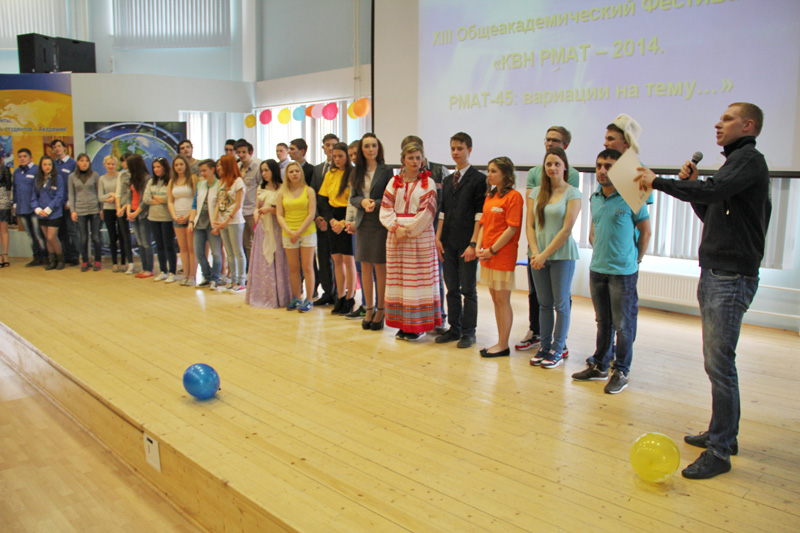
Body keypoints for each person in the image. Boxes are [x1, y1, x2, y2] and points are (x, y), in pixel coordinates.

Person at [636, 102, 771, 480]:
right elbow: (710, 213)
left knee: (720, 363)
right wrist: (694, 188)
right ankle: (722, 432)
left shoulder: (749, 160)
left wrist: (659, 181)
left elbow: (715, 192)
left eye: (727, 119)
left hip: (731, 275)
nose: (718, 124)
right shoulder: (734, 164)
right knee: (718, 363)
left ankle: (721, 450)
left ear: (748, 125)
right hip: (718, 271)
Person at [571, 149, 651, 394]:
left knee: (623, 325)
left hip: (623, 273)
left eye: (609, 166)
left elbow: (646, 232)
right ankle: (600, 366)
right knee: (603, 321)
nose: (602, 170)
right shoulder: (595, 197)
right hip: (598, 269)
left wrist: (635, 260)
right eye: (599, 166)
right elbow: (594, 230)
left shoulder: (631, 197)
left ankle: (621, 371)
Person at [518, 126, 580, 352]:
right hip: (537, 254)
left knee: (561, 304)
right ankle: (543, 346)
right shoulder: (536, 191)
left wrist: (543, 254)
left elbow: (566, 229)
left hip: (560, 254)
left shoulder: (573, 191)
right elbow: (530, 224)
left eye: (557, 164)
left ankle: (558, 348)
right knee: (543, 302)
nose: (552, 167)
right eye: (549, 164)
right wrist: (536, 253)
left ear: (564, 167)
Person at [380, 142, 442, 340]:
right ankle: (403, 324)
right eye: (411, 158)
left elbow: (428, 212)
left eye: (418, 158)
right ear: (403, 160)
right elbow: (385, 208)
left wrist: (408, 231)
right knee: (399, 281)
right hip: (396, 237)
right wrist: (395, 228)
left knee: (417, 281)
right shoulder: (393, 182)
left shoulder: (428, 183)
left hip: (419, 238)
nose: (415, 162)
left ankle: (417, 325)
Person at [434, 132, 486, 349]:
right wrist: (437, 238)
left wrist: (473, 244)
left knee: (468, 290)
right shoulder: (448, 180)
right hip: (448, 241)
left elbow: (479, 215)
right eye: (453, 148)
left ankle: (468, 332)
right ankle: (454, 328)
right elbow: (443, 211)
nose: (456, 152)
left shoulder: (479, 179)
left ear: (469, 150)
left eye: (460, 148)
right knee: (452, 288)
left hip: (467, 244)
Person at [475, 156, 524, 357]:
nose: (489, 175)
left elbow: (512, 228)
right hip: (488, 255)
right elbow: (483, 224)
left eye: (493, 171)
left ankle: (503, 344)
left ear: (505, 174)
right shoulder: (491, 196)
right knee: (496, 299)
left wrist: (492, 250)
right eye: (488, 171)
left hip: (501, 255)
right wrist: (479, 246)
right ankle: (500, 341)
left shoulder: (514, 197)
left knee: (502, 300)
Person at [401, 135, 448, 333]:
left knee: (434, 276)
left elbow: (444, 203)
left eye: (416, 154)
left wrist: (439, 232)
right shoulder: (401, 175)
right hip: (408, 234)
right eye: (408, 154)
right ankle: (415, 320)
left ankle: (439, 318)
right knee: (412, 279)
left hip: (433, 230)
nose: (413, 159)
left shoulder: (439, 170)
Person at [349, 133, 393, 330]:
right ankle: (369, 308)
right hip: (362, 223)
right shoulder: (356, 171)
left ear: (378, 147)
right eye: (366, 146)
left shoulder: (386, 170)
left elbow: (391, 197)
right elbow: (353, 197)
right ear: (362, 149)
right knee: (365, 267)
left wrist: (374, 203)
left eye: (373, 145)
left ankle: (381, 310)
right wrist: (363, 202)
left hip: (380, 223)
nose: (370, 149)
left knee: (380, 267)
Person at [246, 159, 292, 308]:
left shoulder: (282, 188)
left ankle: (281, 295)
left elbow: (285, 210)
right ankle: (263, 294)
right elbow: (256, 206)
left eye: (267, 170)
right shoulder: (261, 188)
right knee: (263, 259)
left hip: (277, 227)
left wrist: (271, 210)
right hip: (263, 228)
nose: (264, 173)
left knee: (278, 257)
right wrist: (256, 213)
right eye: (262, 171)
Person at [319, 142, 358, 316]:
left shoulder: (353, 174)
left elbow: (354, 201)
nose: (337, 159)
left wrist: (343, 222)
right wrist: (331, 220)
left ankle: (350, 297)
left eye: (340, 156)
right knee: (336, 260)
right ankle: (340, 296)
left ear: (347, 156)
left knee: (348, 260)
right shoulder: (330, 174)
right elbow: (323, 200)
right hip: (333, 217)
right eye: (334, 156)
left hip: (347, 217)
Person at [276, 160, 317, 312]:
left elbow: (311, 214)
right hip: (288, 232)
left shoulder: (309, 191)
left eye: (297, 171)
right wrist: (290, 231)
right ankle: (296, 297)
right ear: (287, 174)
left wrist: (299, 231)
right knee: (293, 268)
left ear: (301, 173)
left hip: (306, 231)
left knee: (307, 266)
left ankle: (309, 299)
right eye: (291, 171)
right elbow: (279, 214)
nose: (294, 174)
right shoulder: (282, 192)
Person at [311, 133, 340, 305]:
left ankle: (339, 293)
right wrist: (317, 217)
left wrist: (331, 219)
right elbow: (314, 195)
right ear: (323, 148)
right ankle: (327, 292)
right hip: (321, 221)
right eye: (327, 145)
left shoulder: (343, 169)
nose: (330, 148)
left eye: (333, 145)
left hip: (336, 220)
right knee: (322, 258)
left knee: (337, 259)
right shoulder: (317, 169)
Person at [213, 155, 247, 292]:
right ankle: (233, 280)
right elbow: (219, 202)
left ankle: (241, 280)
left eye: (221, 165)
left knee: (238, 251)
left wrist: (226, 220)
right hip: (222, 221)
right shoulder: (221, 182)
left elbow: (238, 204)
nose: (219, 168)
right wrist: (215, 220)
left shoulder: (238, 182)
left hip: (235, 221)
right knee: (229, 252)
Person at [189, 159, 222, 289]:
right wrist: (191, 221)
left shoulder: (219, 184)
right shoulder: (200, 185)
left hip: (212, 223)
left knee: (216, 253)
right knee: (199, 252)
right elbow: (195, 204)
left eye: (204, 170)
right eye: (201, 171)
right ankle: (207, 276)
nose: (202, 173)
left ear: (212, 169)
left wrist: (218, 224)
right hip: (199, 223)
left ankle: (215, 278)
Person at [67, 153, 102, 271]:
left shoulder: (95, 175)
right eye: (82, 161)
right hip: (80, 210)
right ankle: (85, 261)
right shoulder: (72, 177)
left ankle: (97, 261)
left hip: (94, 209)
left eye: (86, 161)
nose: (84, 163)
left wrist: (101, 209)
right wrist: (73, 210)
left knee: (96, 237)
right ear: (77, 162)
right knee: (83, 238)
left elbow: (99, 193)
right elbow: (71, 194)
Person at [32, 156, 66, 270]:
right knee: (47, 237)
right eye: (45, 164)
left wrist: (48, 209)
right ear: (41, 166)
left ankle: (61, 259)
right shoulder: (37, 179)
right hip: (41, 214)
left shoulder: (58, 178)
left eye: (49, 164)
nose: (47, 167)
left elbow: (59, 196)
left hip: (54, 213)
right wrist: (38, 209)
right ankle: (52, 261)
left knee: (52, 237)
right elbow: (34, 197)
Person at [13, 149, 46, 266]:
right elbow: (15, 189)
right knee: (30, 235)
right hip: (22, 208)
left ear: (30, 158)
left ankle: (45, 257)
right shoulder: (16, 172)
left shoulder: (37, 170)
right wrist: (15, 204)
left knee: (38, 234)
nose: (22, 158)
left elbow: (40, 189)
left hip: (34, 208)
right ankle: (36, 257)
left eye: (24, 156)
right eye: (20, 156)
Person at [168, 154, 197, 285]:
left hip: (190, 216)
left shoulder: (192, 178)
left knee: (191, 248)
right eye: (176, 165)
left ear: (186, 165)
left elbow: (196, 198)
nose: (179, 167)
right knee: (182, 248)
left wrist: (189, 215)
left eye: (181, 164)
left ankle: (192, 275)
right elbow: (170, 200)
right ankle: (185, 274)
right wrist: (174, 216)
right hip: (177, 217)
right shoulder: (172, 181)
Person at [51, 139, 79, 265]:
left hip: (69, 203)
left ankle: (75, 256)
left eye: (58, 146)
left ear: (64, 148)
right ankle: (66, 255)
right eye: (54, 147)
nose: (57, 149)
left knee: (72, 231)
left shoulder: (72, 164)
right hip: (57, 204)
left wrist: (70, 201)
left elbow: (76, 184)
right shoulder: (53, 164)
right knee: (61, 232)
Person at [235, 139, 261, 270]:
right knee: (245, 243)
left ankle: (258, 270)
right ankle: (248, 270)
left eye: (244, 152)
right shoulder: (236, 167)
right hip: (240, 211)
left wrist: (258, 208)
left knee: (257, 242)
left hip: (253, 210)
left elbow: (261, 189)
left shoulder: (258, 167)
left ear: (250, 152)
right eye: (239, 152)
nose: (241, 155)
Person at [126, 155, 153, 278]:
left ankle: (149, 268)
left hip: (142, 214)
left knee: (146, 242)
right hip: (133, 212)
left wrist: (136, 212)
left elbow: (145, 199)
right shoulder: (132, 178)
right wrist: (129, 212)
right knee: (140, 242)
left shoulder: (147, 178)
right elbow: (129, 196)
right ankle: (144, 267)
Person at [99, 155, 124, 272]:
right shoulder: (102, 179)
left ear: (116, 165)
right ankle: (114, 262)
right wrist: (111, 195)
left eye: (113, 164)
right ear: (105, 165)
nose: (110, 166)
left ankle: (123, 261)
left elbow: (123, 193)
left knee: (122, 235)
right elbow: (100, 197)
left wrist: (114, 197)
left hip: (120, 209)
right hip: (108, 209)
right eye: (108, 164)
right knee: (112, 236)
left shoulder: (120, 176)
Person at [115, 153, 135, 274]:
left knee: (139, 235)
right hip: (121, 208)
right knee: (124, 235)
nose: (123, 163)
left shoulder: (137, 174)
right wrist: (118, 207)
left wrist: (126, 207)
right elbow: (118, 192)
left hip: (134, 207)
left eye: (125, 161)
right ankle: (130, 262)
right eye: (122, 161)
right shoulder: (121, 175)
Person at [0, 163, 12, 267]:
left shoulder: (4, 168)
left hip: (3, 198)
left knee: (4, 227)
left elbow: (8, 187)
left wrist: (8, 202)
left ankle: (5, 255)